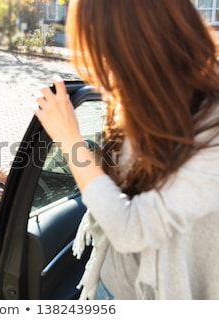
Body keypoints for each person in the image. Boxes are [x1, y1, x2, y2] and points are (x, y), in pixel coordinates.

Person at [34, 0, 219, 299]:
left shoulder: (212, 126)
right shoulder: (153, 99)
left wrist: (69, 138)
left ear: (135, 44)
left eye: (105, 55)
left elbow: (130, 227)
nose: (102, 72)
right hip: (109, 282)